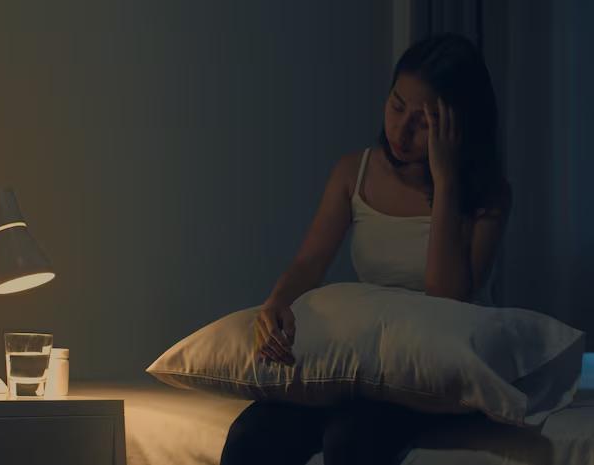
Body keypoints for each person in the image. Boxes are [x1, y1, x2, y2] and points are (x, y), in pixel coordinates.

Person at [220, 33, 513, 465]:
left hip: (434, 366)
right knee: (250, 436)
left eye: (424, 120)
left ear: (457, 124)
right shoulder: (353, 172)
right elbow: (309, 262)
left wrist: (446, 182)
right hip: (369, 355)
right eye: (397, 106)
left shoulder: (487, 196)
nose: (402, 129)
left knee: (351, 440)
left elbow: (448, 300)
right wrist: (278, 302)